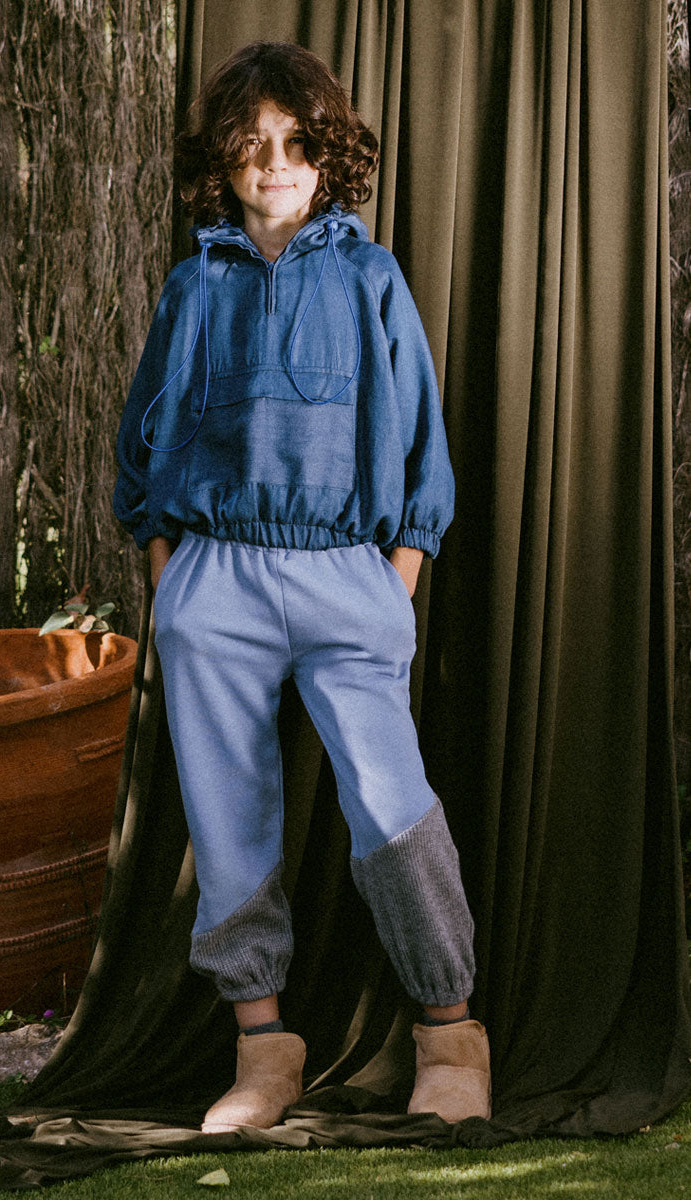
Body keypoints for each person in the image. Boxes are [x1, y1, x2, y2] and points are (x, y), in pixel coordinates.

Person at [113, 41, 490, 1133]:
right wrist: (171, 580)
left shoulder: (370, 277)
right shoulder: (194, 284)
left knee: (390, 802)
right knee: (227, 814)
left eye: (294, 142)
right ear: (223, 163)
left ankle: (450, 1036)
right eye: (251, 145)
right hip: (215, 579)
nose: (274, 162)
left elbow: (419, 442)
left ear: (327, 157)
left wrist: (396, 579)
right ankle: (264, 1048)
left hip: (343, 576)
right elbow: (145, 438)